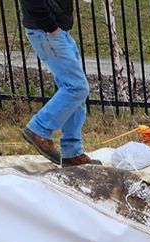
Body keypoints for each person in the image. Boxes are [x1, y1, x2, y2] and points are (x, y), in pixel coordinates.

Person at [21, 0, 91, 166]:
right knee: (76, 87)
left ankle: (72, 152)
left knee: (74, 92)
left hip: (58, 31)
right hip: (47, 31)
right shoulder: (49, 28)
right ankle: (38, 129)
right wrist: (51, 27)